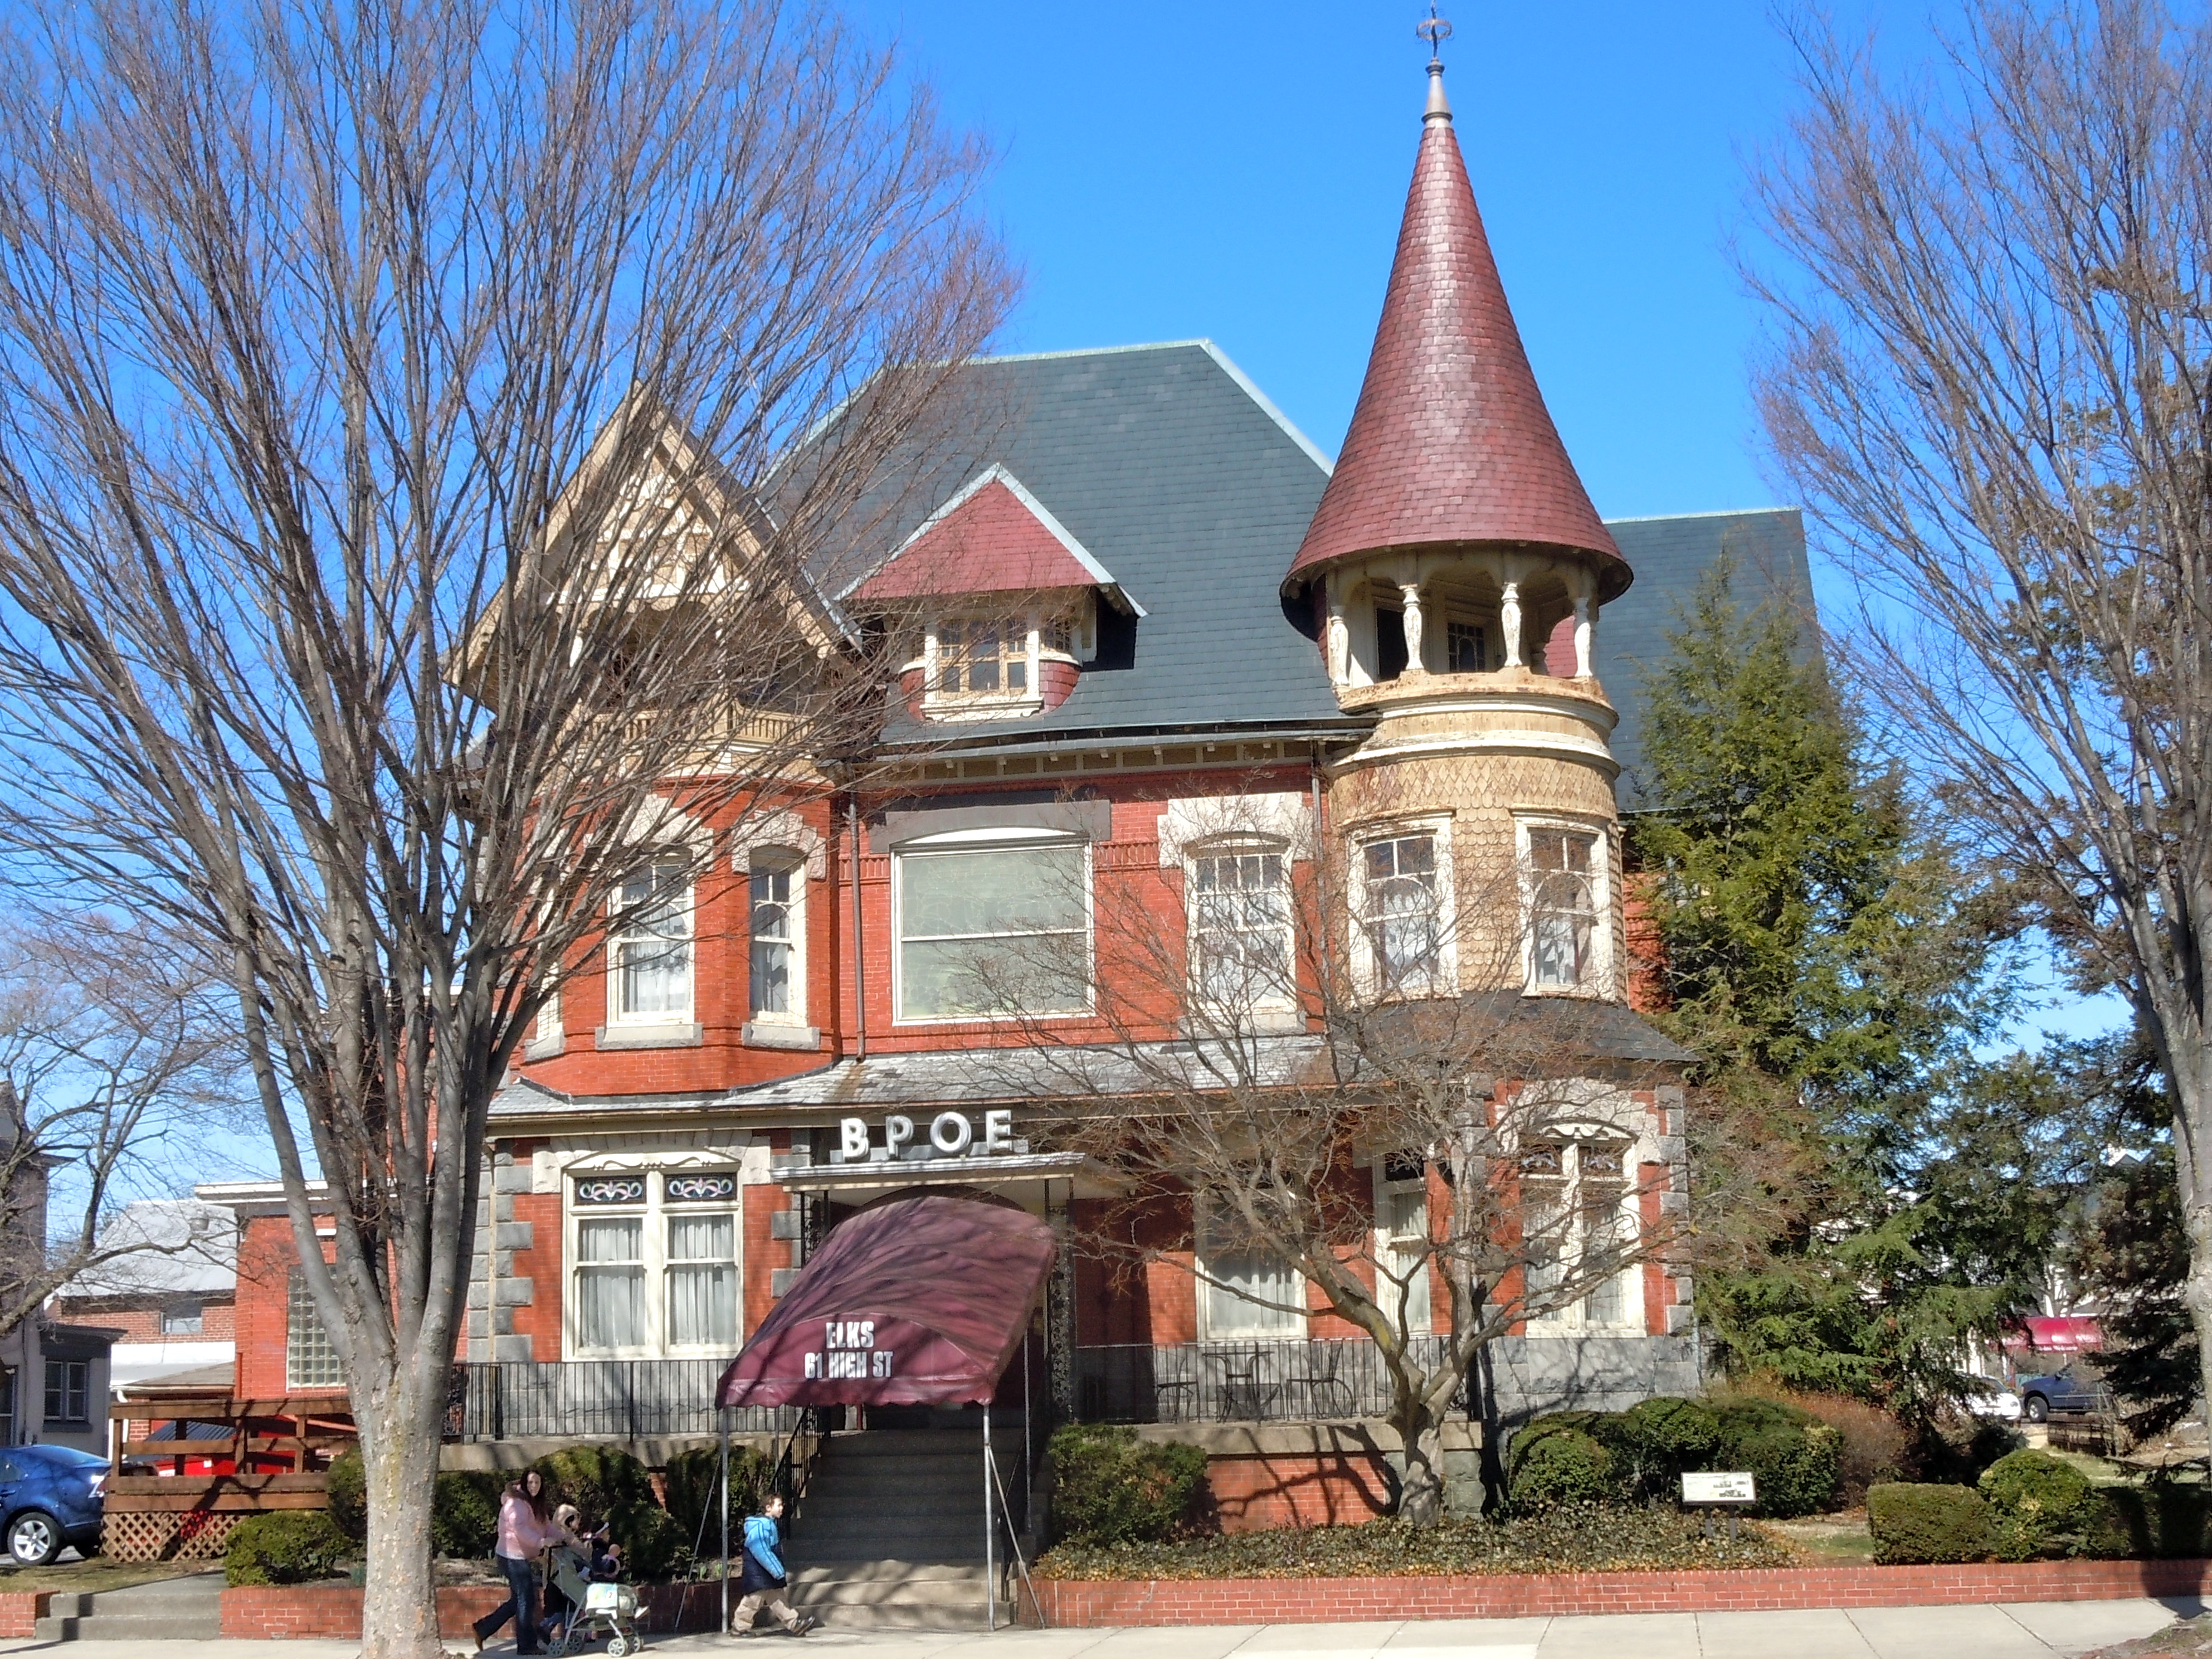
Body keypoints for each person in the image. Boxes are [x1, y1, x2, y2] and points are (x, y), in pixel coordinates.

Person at [475, 1470, 561, 1654]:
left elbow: (546, 1526)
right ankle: (527, 1646)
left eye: (537, 1482)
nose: (534, 1486)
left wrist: (566, 1539)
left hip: (519, 1557)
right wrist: (541, 1542)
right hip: (510, 1556)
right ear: (524, 1483)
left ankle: (483, 1629)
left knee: (519, 1600)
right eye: (530, 1483)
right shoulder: (516, 1503)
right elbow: (520, 1529)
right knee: (526, 1600)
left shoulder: (534, 1503)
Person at [729, 1493, 815, 1638]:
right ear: (768, 1508)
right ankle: (739, 1627)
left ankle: (794, 1624)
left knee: (778, 1599)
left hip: (764, 1573)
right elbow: (760, 1549)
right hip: (759, 1572)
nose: (782, 1508)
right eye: (779, 1505)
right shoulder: (762, 1526)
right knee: (753, 1601)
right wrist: (776, 1570)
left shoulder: (768, 1524)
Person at [540, 1504, 619, 1647]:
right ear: (567, 1520)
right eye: (576, 1518)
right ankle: (551, 1630)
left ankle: (566, 1636)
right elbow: (584, 1553)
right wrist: (591, 1544)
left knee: (567, 1608)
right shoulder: (566, 1538)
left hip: (560, 1577)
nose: (579, 1522)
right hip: (561, 1578)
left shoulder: (560, 1537)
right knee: (564, 1609)